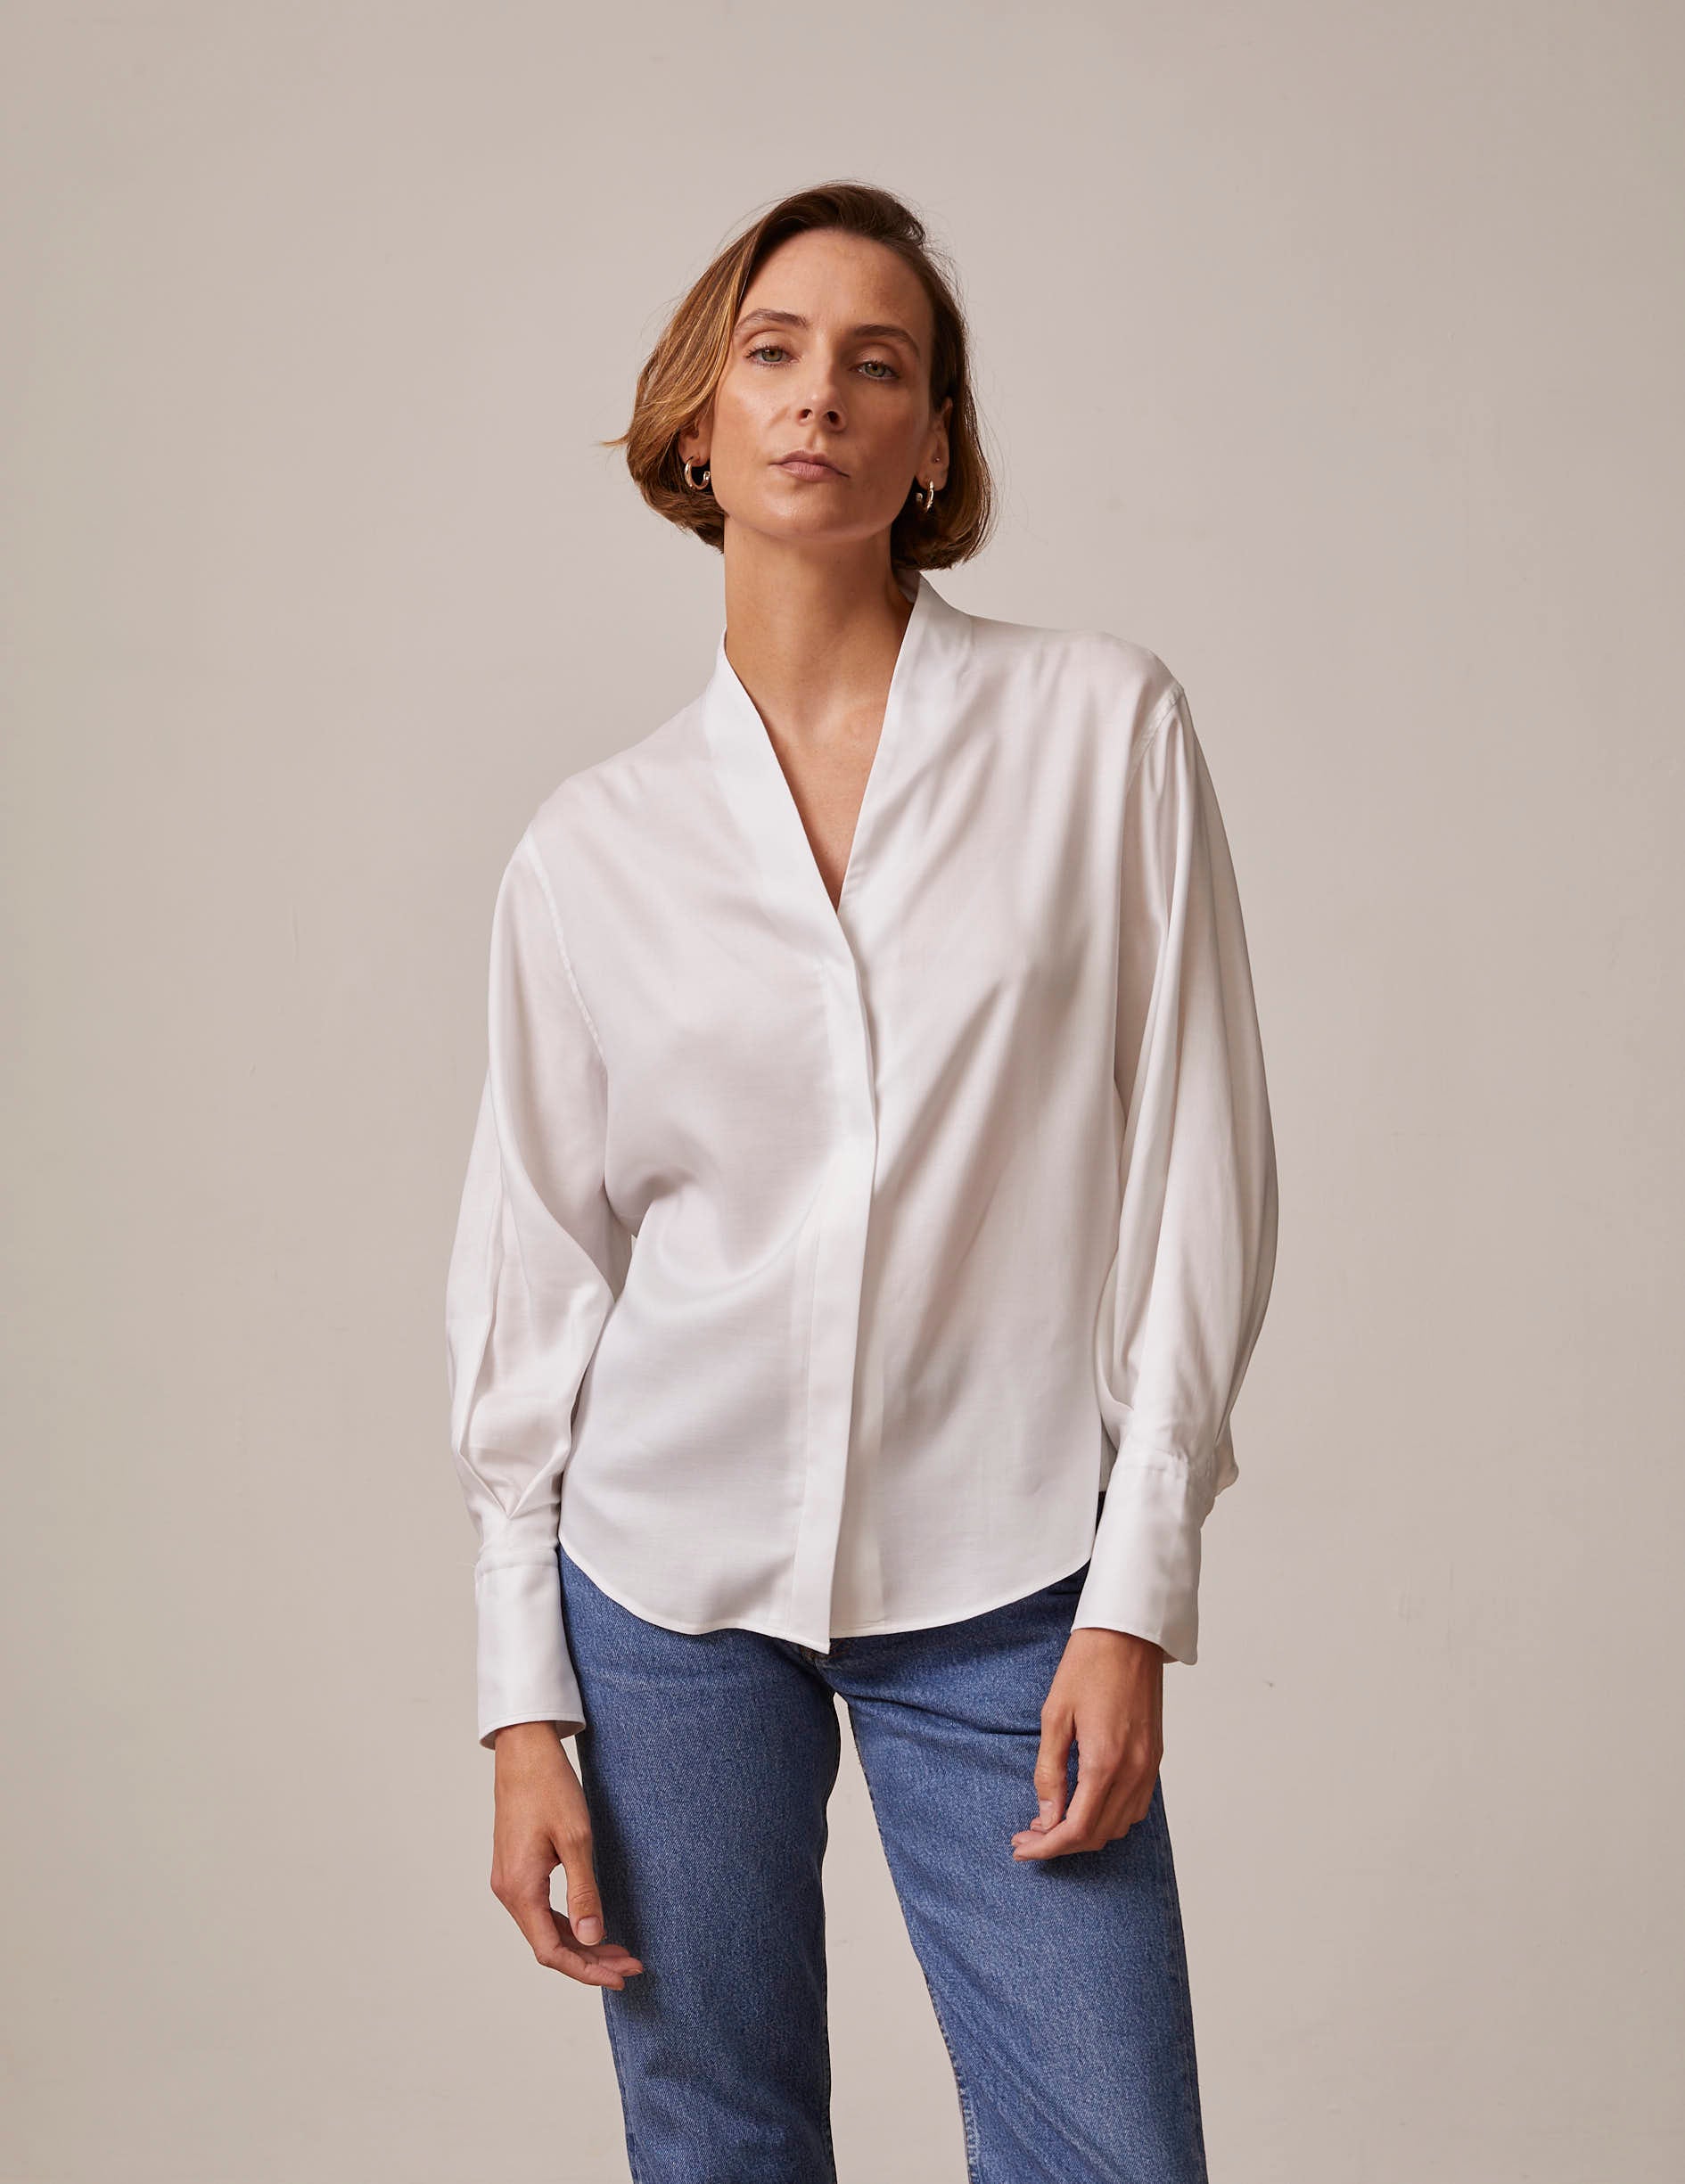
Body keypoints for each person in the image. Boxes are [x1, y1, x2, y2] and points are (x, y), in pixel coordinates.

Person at [443, 179, 1278, 2184]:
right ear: (699, 422)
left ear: (931, 447)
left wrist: (1138, 1587)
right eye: (775, 351)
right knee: (718, 2144)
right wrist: (520, 1703)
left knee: (1110, 2153)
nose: (820, 394)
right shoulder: (591, 849)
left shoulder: (1100, 733)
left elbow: (1200, 1162)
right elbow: (539, 1271)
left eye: (877, 364)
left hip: (1009, 1568)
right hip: (662, 1587)